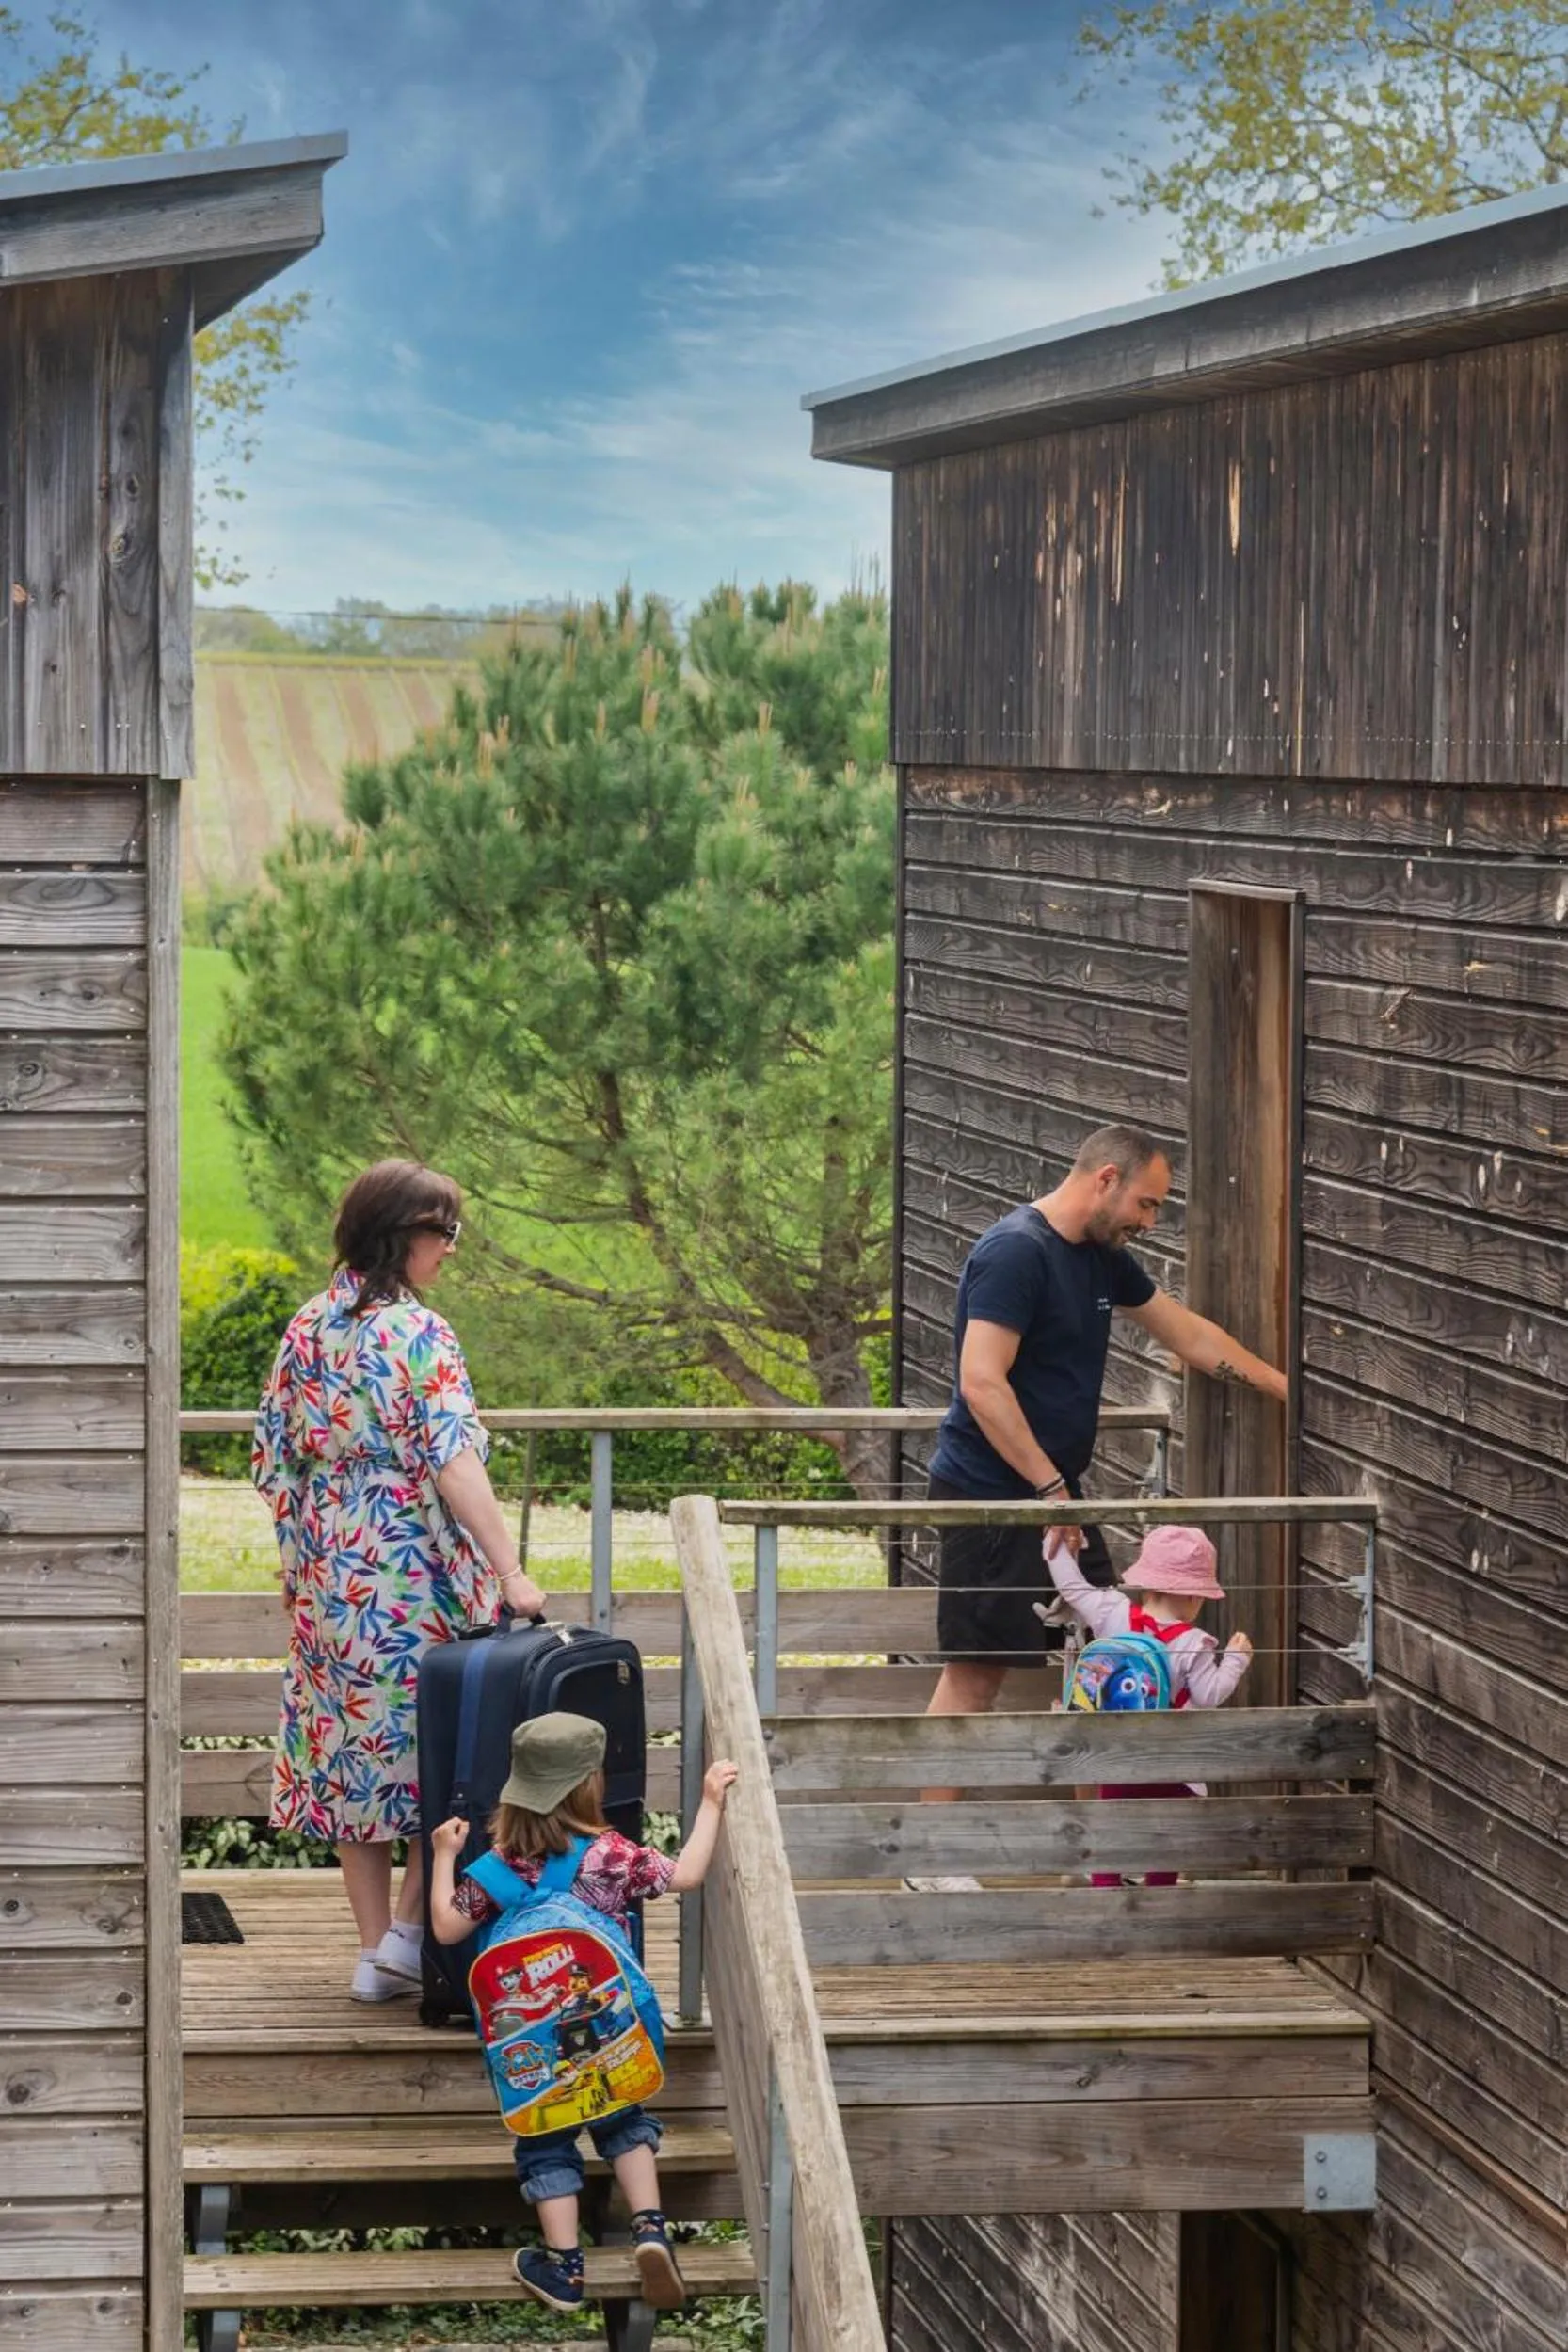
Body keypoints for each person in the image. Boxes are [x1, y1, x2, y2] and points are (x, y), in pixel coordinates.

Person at [917, 1124, 1285, 1876]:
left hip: (1055, 1490)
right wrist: (1052, 1489)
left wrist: (1287, 1389)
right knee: (975, 1671)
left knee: (1119, 1654)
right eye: (1146, 1203)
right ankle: (928, 1852)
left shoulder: (1101, 1259)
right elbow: (981, 1381)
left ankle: (1099, 1850)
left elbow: (1187, 1333)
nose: (1149, 1221)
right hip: (993, 1493)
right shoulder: (1015, 1252)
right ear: (1105, 1178)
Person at [253, 1158, 546, 2002]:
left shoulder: (307, 1327)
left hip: (329, 1571)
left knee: (354, 1749)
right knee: (436, 1743)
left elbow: (274, 1460)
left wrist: (298, 1562)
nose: (450, 1250)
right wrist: (512, 1570)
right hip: (411, 1565)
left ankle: (377, 1944)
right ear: (404, 1235)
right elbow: (453, 1461)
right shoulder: (419, 1333)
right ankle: (410, 1937)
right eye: (443, 1233)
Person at [429, 1712, 738, 2316]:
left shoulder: (495, 1867)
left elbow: (445, 1926)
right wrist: (710, 1802)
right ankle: (651, 2231)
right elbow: (688, 1875)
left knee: (544, 2138)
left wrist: (444, 1854)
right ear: (590, 1783)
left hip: (536, 2039)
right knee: (623, 2120)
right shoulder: (610, 1855)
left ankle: (565, 2269)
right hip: (610, 2025)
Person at [1044, 1525, 1252, 1884]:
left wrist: (1055, 1541)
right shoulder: (1193, 1642)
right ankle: (1158, 1898)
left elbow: (1071, 1586)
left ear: (1148, 1583)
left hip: (1117, 1754)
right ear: (1192, 1597)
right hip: (1171, 1760)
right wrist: (1235, 1659)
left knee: (1111, 1832)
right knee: (1167, 1840)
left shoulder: (1112, 1613)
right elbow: (1209, 1697)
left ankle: (1106, 1893)